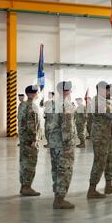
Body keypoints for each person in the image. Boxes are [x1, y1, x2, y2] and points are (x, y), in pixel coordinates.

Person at [87, 81, 112, 199]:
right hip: (101, 137)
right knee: (100, 162)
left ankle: (108, 185)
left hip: (107, 136)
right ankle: (92, 189)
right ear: (101, 90)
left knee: (110, 160)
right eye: (107, 90)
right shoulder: (99, 103)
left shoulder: (104, 102)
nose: (108, 92)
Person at [46, 81, 76, 209]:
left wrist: (49, 140)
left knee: (56, 170)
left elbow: (47, 125)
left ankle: (57, 195)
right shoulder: (66, 105)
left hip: (53, 143)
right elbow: (67, 126)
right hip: (63, 144)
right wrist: (68, 143)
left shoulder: (51, 103)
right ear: (66, 91)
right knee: (65, 171)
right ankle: (60, 199)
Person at [18, 85, 41, 197]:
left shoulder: (22, 105)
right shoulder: (32, 106)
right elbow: (32, 125)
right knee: (30, 163)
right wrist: (34, 140)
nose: (38, 94)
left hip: (23, 138)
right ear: (33, 94)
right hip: (29, 140)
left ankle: (24, 186)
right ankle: (27, 187)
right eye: (37, 92)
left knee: (23, 163)